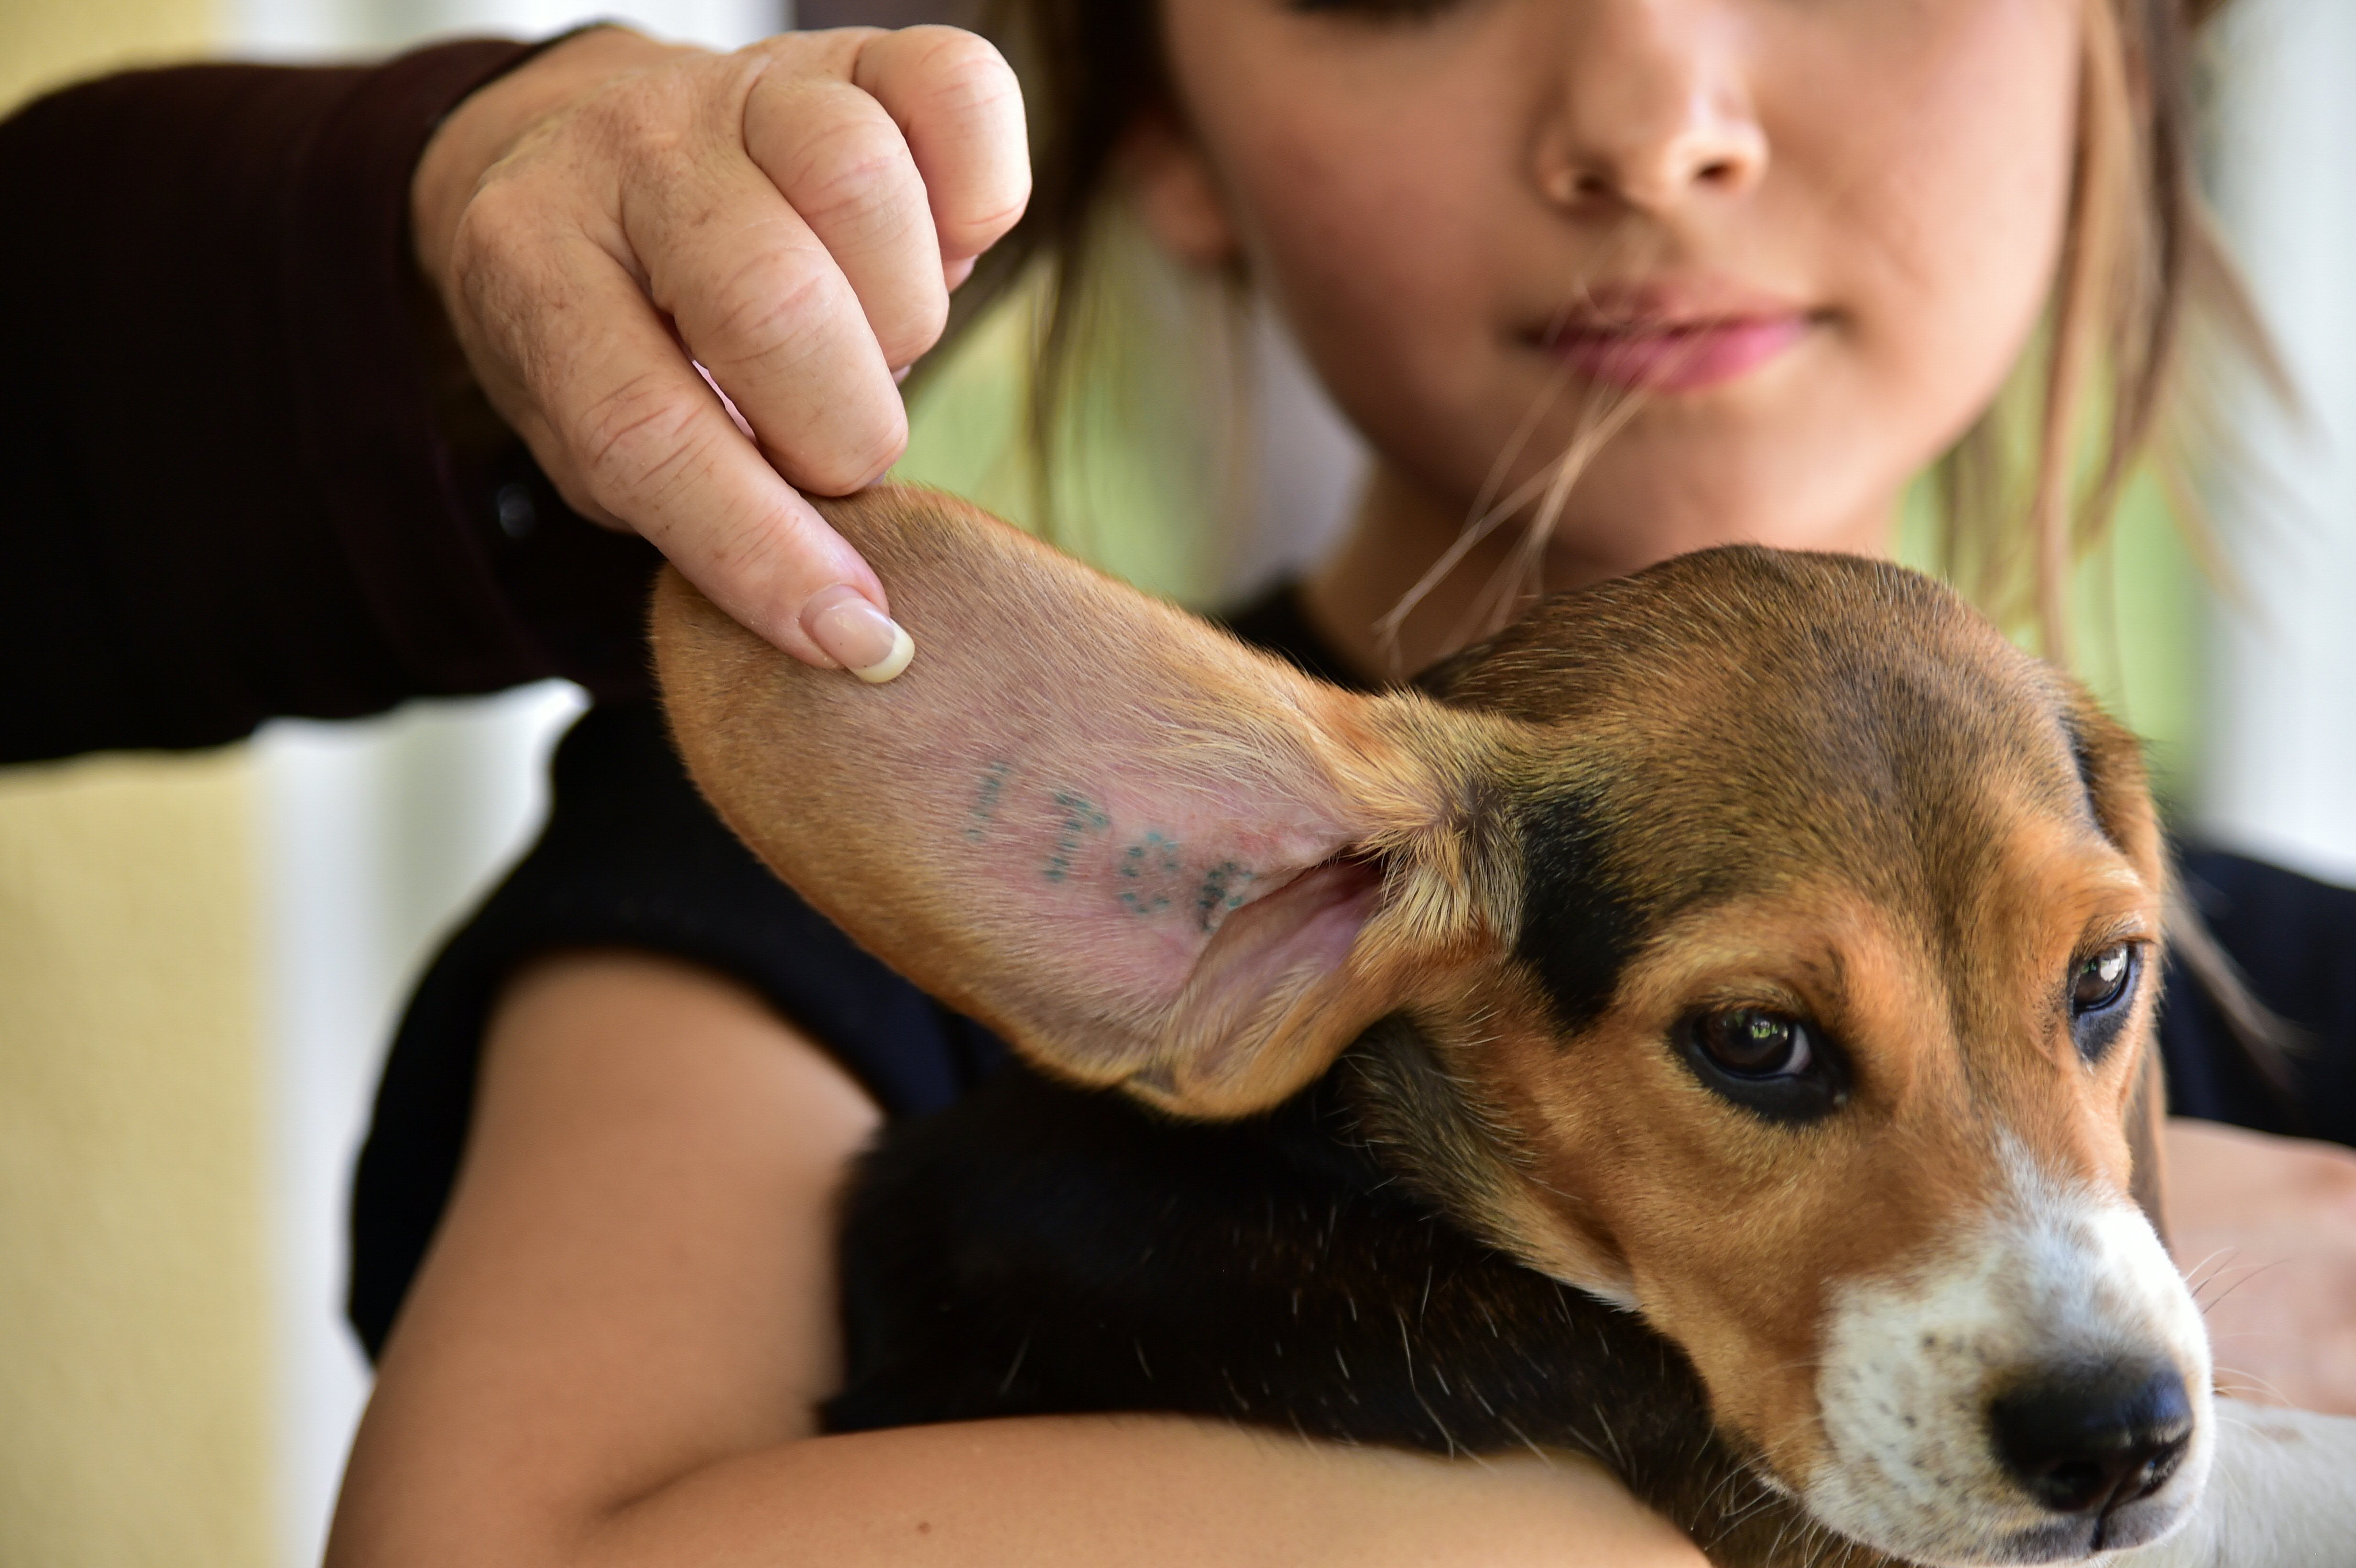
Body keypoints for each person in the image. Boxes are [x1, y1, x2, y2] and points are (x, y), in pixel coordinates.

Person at [0, 4, 2348, 1562]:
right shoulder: (791, 884)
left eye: (2092, 986)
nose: (1656, 120)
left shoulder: (2308, 1007)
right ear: (1152, 124)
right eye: (1759, 1037)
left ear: (2125, 43)